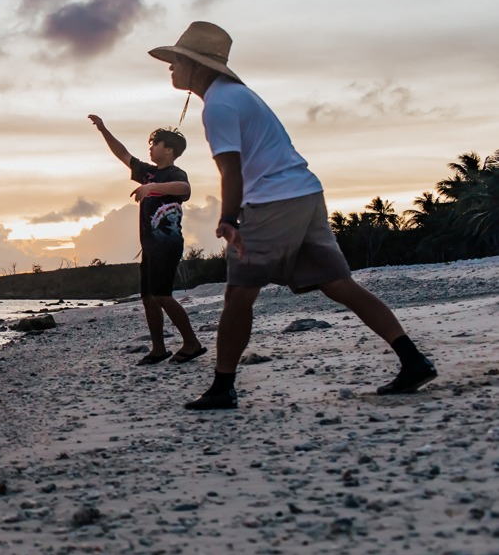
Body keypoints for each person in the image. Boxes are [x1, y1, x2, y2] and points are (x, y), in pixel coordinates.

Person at [148, 21, 437, 410]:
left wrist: (229, 219)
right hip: (305, 193)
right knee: (337, 283)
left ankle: (222, 387)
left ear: (197, 66)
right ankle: (413, 360)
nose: (171, 67)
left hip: (273, 203)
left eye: (177, 60)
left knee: (237, 296)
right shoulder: (239, 95)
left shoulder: (219, 105)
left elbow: (230, 169)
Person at [87, 115, 207, 365]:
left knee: (162, 294)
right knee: (148, 297)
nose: (150, 148)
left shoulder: (175, 173)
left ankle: (192, 343)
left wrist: (151, 189)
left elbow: (184, 189)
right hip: (150, 246)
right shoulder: (148, 172)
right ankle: (158, 349)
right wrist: (103, 129)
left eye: (155, 144)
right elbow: (123, 154)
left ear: (169, 149)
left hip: (167, 243)